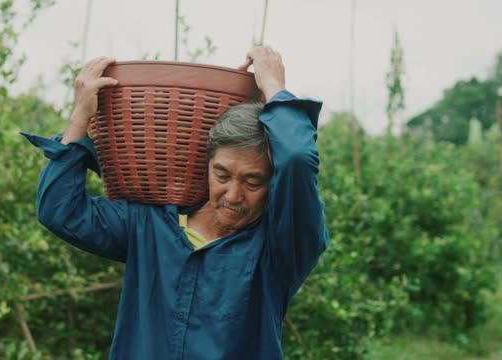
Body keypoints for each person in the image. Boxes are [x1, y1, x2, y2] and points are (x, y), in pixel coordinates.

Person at [22, 47, 329, 359]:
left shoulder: (280, 247)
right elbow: (60, 212)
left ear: (272, 184)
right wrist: (80, 117)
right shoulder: (148, 225)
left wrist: (274, 86)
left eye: (253, 182)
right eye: (222, 174)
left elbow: (295, 157)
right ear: (206, 164)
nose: (233, 195)